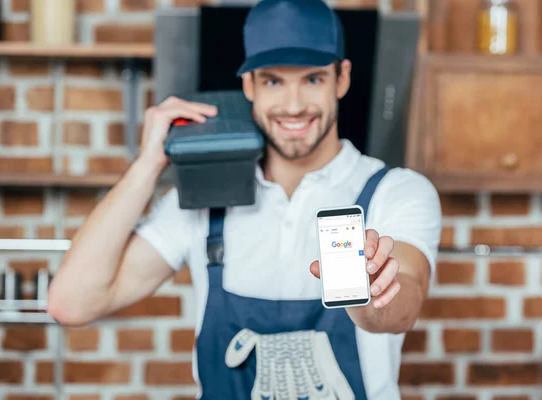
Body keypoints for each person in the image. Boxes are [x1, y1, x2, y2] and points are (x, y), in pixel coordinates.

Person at [47, 0, 442, 398]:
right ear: (249, 85)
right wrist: (149, 164)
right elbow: (71, 303)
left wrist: (370, 300)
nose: (293, 105)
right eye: (273, 81)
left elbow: (404, 303)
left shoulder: (396, 191)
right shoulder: (202, 201)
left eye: (312, 80)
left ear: (342, 79)